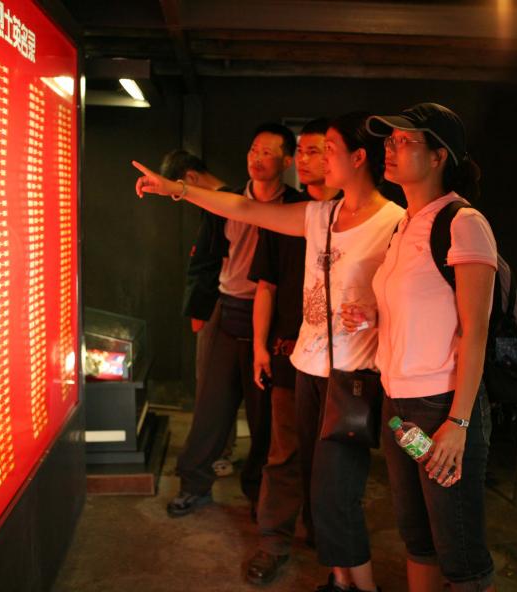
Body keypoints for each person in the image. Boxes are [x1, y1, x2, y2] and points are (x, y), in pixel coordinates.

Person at [133, 111, 404, 592]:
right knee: (304, 475)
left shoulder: (395, 222)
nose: (316, 158)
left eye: (327, 150)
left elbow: (414, 299)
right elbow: (245, 209)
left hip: (353, 377)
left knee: (337, 489)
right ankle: (338, 579)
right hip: (305, 368)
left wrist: (377, 316)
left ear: (358, 158)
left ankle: (358, 585)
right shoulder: (320, 215)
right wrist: (179, 189)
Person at [357, 103, 498, 592]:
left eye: (404, 141)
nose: (390, 149)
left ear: (439, 156)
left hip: (442, 406)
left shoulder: (463, 222)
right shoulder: (405, 224)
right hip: (398, 405)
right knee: (418, 539)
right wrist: (371, 316)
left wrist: (458, 424)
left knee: (460, 553)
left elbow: (475, 331)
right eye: (389, 141)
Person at [163, 124, 301, 519]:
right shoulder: (227, 201)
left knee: (265, 416)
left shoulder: (297, 206)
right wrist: (199, 310)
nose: (257, 158)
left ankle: (260, 493)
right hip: (227, 309)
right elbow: (206, 258)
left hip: (271, 320)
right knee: (211, 407)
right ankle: (194, 484)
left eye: (268, 152)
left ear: (286, 161)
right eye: (254, 150)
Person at [244, 119, 341, 586]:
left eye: (314, 151)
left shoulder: (361, 217)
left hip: (344, 363)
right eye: (299, 151)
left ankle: (332, 543)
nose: (303, 159)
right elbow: (265, 285)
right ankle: (273, 540)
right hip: (289, 354)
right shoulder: (288, 215)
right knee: (283, 453)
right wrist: (259, 346)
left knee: (336, 459)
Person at [160, 149, 236, 477]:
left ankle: (215, 454)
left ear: (190, 178)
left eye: (179, 191)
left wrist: (202, 310)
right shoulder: (219, 203)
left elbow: (218, 263)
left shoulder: (225, 204)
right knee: (212, 386)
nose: (181, 198)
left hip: (219, 304)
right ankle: (214, 452)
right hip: (212, 305)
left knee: (212, 388)